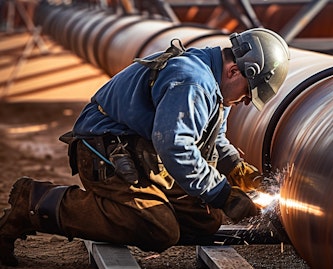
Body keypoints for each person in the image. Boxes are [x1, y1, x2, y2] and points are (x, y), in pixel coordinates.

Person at [0, 27, 290, 266]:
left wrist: (240, 171)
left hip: (143, 152)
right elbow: (176, 147)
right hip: (104, 152)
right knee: (159, 229)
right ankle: (34, 201)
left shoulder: (215, 82)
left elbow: (214, 139)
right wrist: (223, 193)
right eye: (248, 94)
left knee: (206, 221)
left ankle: (147, 207)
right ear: (235, 72)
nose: (245, 101)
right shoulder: (194, 82)